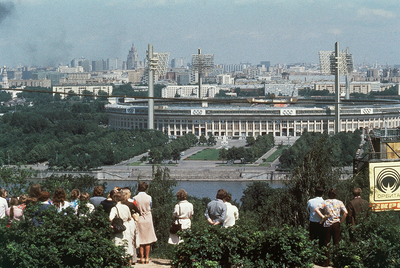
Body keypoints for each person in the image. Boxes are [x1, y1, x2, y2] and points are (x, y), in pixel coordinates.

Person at [315, 188, 348, 267]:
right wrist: (341, 221)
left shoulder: (325, 202)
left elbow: (316, 209)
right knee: (336, 243)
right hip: (336, 224)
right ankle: (336, 262)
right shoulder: (340, 202)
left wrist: (323, 216)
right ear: (336, 194)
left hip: (327, 225)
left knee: (326, 243)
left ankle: (326, 262)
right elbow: (345, 212)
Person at [134, 181, 157, 264]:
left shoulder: (135, 197)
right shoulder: (149, 197)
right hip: (147, 218)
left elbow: (134, 207)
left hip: (139, 218)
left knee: (140, 239)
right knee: (148, 239)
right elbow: (150, 206)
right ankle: (147, 258)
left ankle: (141, 258)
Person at [109, 191, 135, 266]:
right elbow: (129, 217)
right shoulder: (126, 207)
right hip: (126, 227)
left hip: (118, 229)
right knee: (127, 247)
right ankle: (128, 264)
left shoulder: (114, 208)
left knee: (118, 246)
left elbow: (110, 218)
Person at [121, 188, 139, 264]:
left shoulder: (119, 204)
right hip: (130, 222)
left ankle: (123, 258)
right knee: (131, 239)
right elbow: (138, 212)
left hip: (121, 223)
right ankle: (132, 258)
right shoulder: (131, 204)